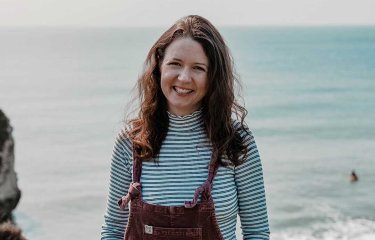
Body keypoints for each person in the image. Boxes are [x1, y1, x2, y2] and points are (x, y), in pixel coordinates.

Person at [101, 15, 270, 240]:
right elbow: (113, 231)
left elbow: (256, 233)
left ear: (213, 77)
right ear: (159, 66)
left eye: (198, 68)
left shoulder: (236, 140)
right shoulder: (130, 143)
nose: (184, 77)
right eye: (175, 64)